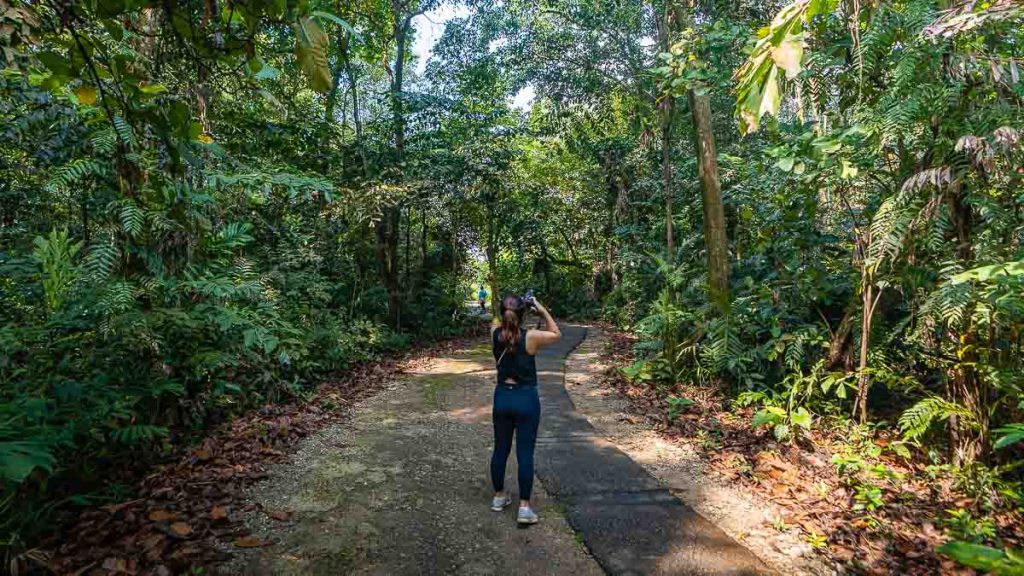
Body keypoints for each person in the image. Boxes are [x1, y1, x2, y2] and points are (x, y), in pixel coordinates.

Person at [489, 294, 561, 525]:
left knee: (500, 449)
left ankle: (499, 497)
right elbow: (556, 333)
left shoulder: (494, 332)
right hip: (526, 399)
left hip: (502, 397)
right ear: (522, 314)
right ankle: (524, 507)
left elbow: (500, 323)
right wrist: (540, 308)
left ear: (503, 313)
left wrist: (509, 313)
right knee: (525, 454)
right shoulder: (531, 337)